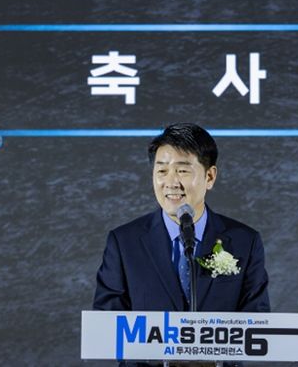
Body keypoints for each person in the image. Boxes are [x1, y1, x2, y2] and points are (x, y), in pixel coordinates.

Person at [93, 123, 270, 316]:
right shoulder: (124, 243)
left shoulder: (245, 242)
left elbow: (257, 322)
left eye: (182, 171)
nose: (171, 183)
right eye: (162, 171)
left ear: (210, 177)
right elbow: (106, 323)